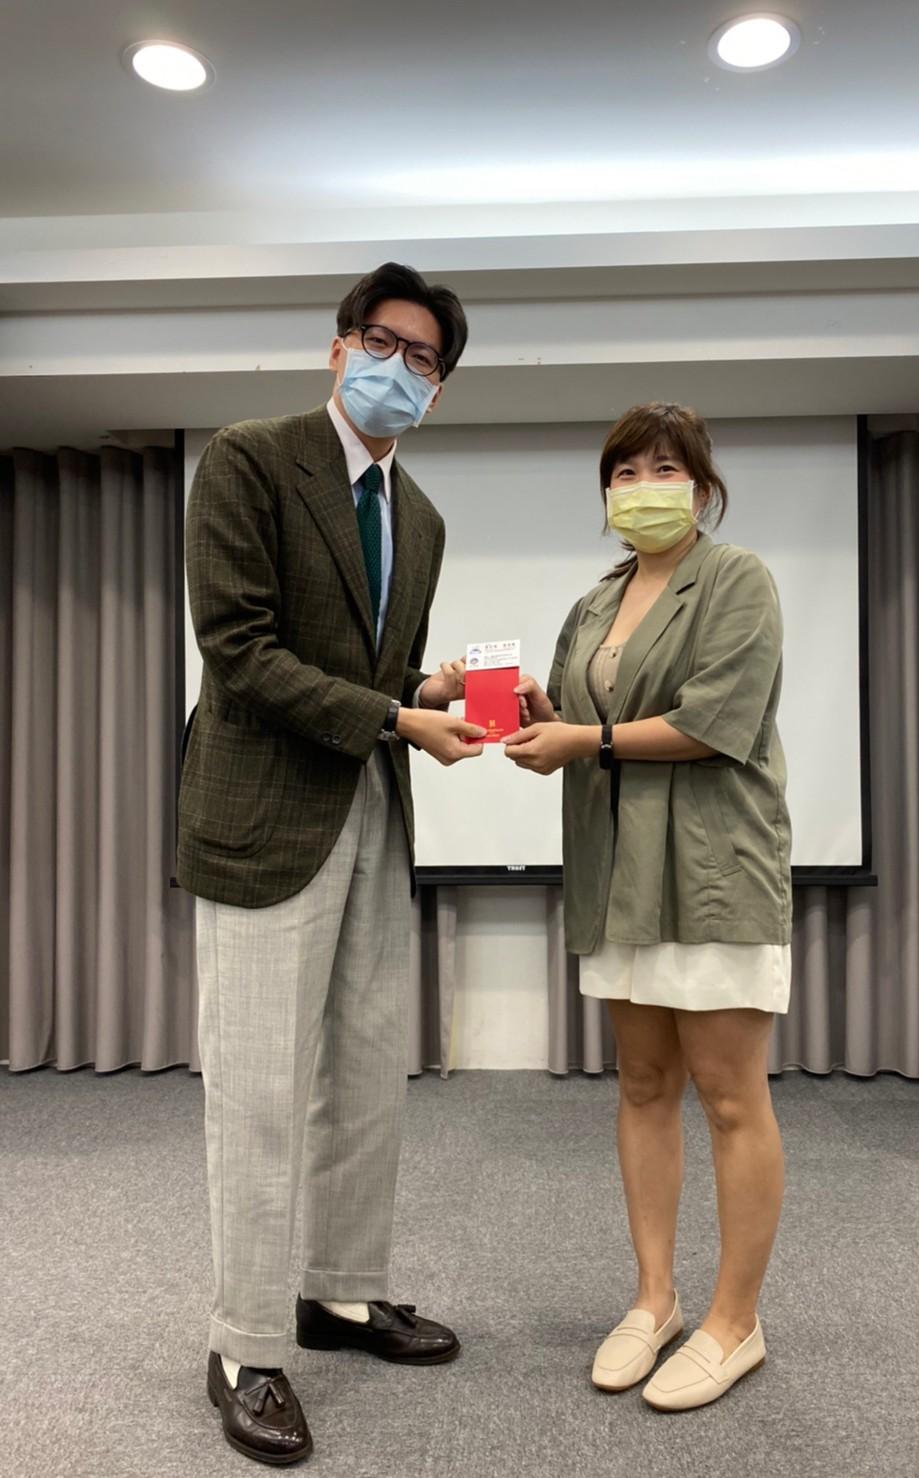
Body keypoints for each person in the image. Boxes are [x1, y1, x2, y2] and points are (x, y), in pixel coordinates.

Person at [178, 262, 485, 1466]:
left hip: (370, 809)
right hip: (264, 815)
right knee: (256, 1088)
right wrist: (399, 713)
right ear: (337, 345)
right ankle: (245, 1343)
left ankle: (340, 1293)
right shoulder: (251, 459)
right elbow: (240, 648)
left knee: (365, 1074)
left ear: (439, 390)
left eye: (423, 359)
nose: (397, 368)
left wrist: (431, 689)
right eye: (381, 341)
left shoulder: (424, 518)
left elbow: (370, 671)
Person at [506, 402, 792, 1413]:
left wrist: (584, 739)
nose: (642, 488)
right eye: (623, 472)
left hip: (711, 868)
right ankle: (654, 1298)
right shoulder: (595, 602)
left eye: (664, 469)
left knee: (729, 1095)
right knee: (641, 1083)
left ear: (701, 488)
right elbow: (581, 722)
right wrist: (540, 719)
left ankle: (735, 1319)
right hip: (618, 868)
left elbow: (716, 721)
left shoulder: (737, 578)